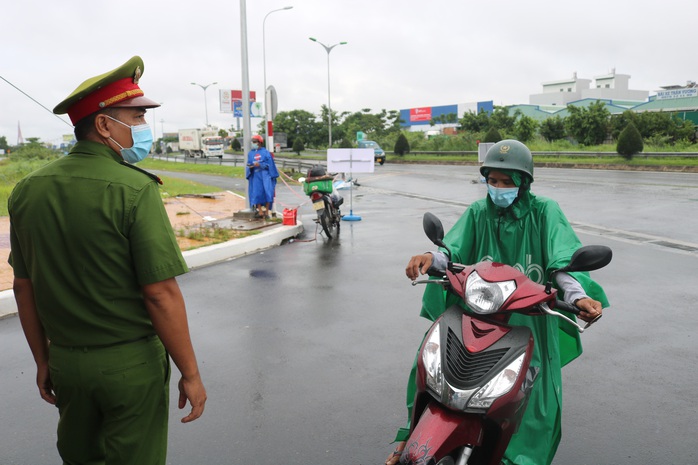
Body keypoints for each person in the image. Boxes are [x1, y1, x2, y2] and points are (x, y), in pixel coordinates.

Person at [8, 56, 207, 465]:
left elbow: (23, 286)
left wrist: (43, 361)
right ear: (103, 125)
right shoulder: (134, 189)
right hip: (130, 365)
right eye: (136, 117)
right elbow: (160, 294)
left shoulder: (27, 190)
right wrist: (190, 372)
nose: (143, 128)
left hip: (65, 362)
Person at [387, 140, 609, 465]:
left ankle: (522, 458)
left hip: (527, 318)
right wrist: (430, 258)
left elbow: (561, 260)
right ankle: (409, 437)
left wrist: (578, 297)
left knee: (535, 392)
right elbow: (452, 249)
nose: (499, 188)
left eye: (507, 182)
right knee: (427, 364)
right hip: (476, 313)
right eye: (493, 180)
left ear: (524, 184)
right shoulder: (479, 212)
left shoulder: (545, 211)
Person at [245, 134, 279, 219]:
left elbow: (269, 164)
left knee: (268, 192)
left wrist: (260, 164)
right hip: (256, 175)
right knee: (257, 193)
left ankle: (267, 211)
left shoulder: (265, 152)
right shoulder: (250, 154)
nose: (253, 143)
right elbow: (249, 164)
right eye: (252, 142)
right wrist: (251, 166)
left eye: (255, 142)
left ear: (260, 143)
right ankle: (260, 210)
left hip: (265, 175)